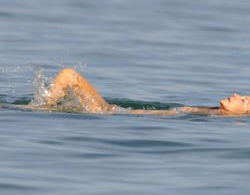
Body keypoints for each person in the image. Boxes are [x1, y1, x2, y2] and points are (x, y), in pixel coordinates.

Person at [36, 68, 250, 116]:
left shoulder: (218, 117)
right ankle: (44, 108)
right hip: (115, 112)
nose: (237, 94)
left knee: (69, 76)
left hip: (113, 114)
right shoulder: (212, 112)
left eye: (245, 101)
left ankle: (41, 111)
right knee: (68, 77)